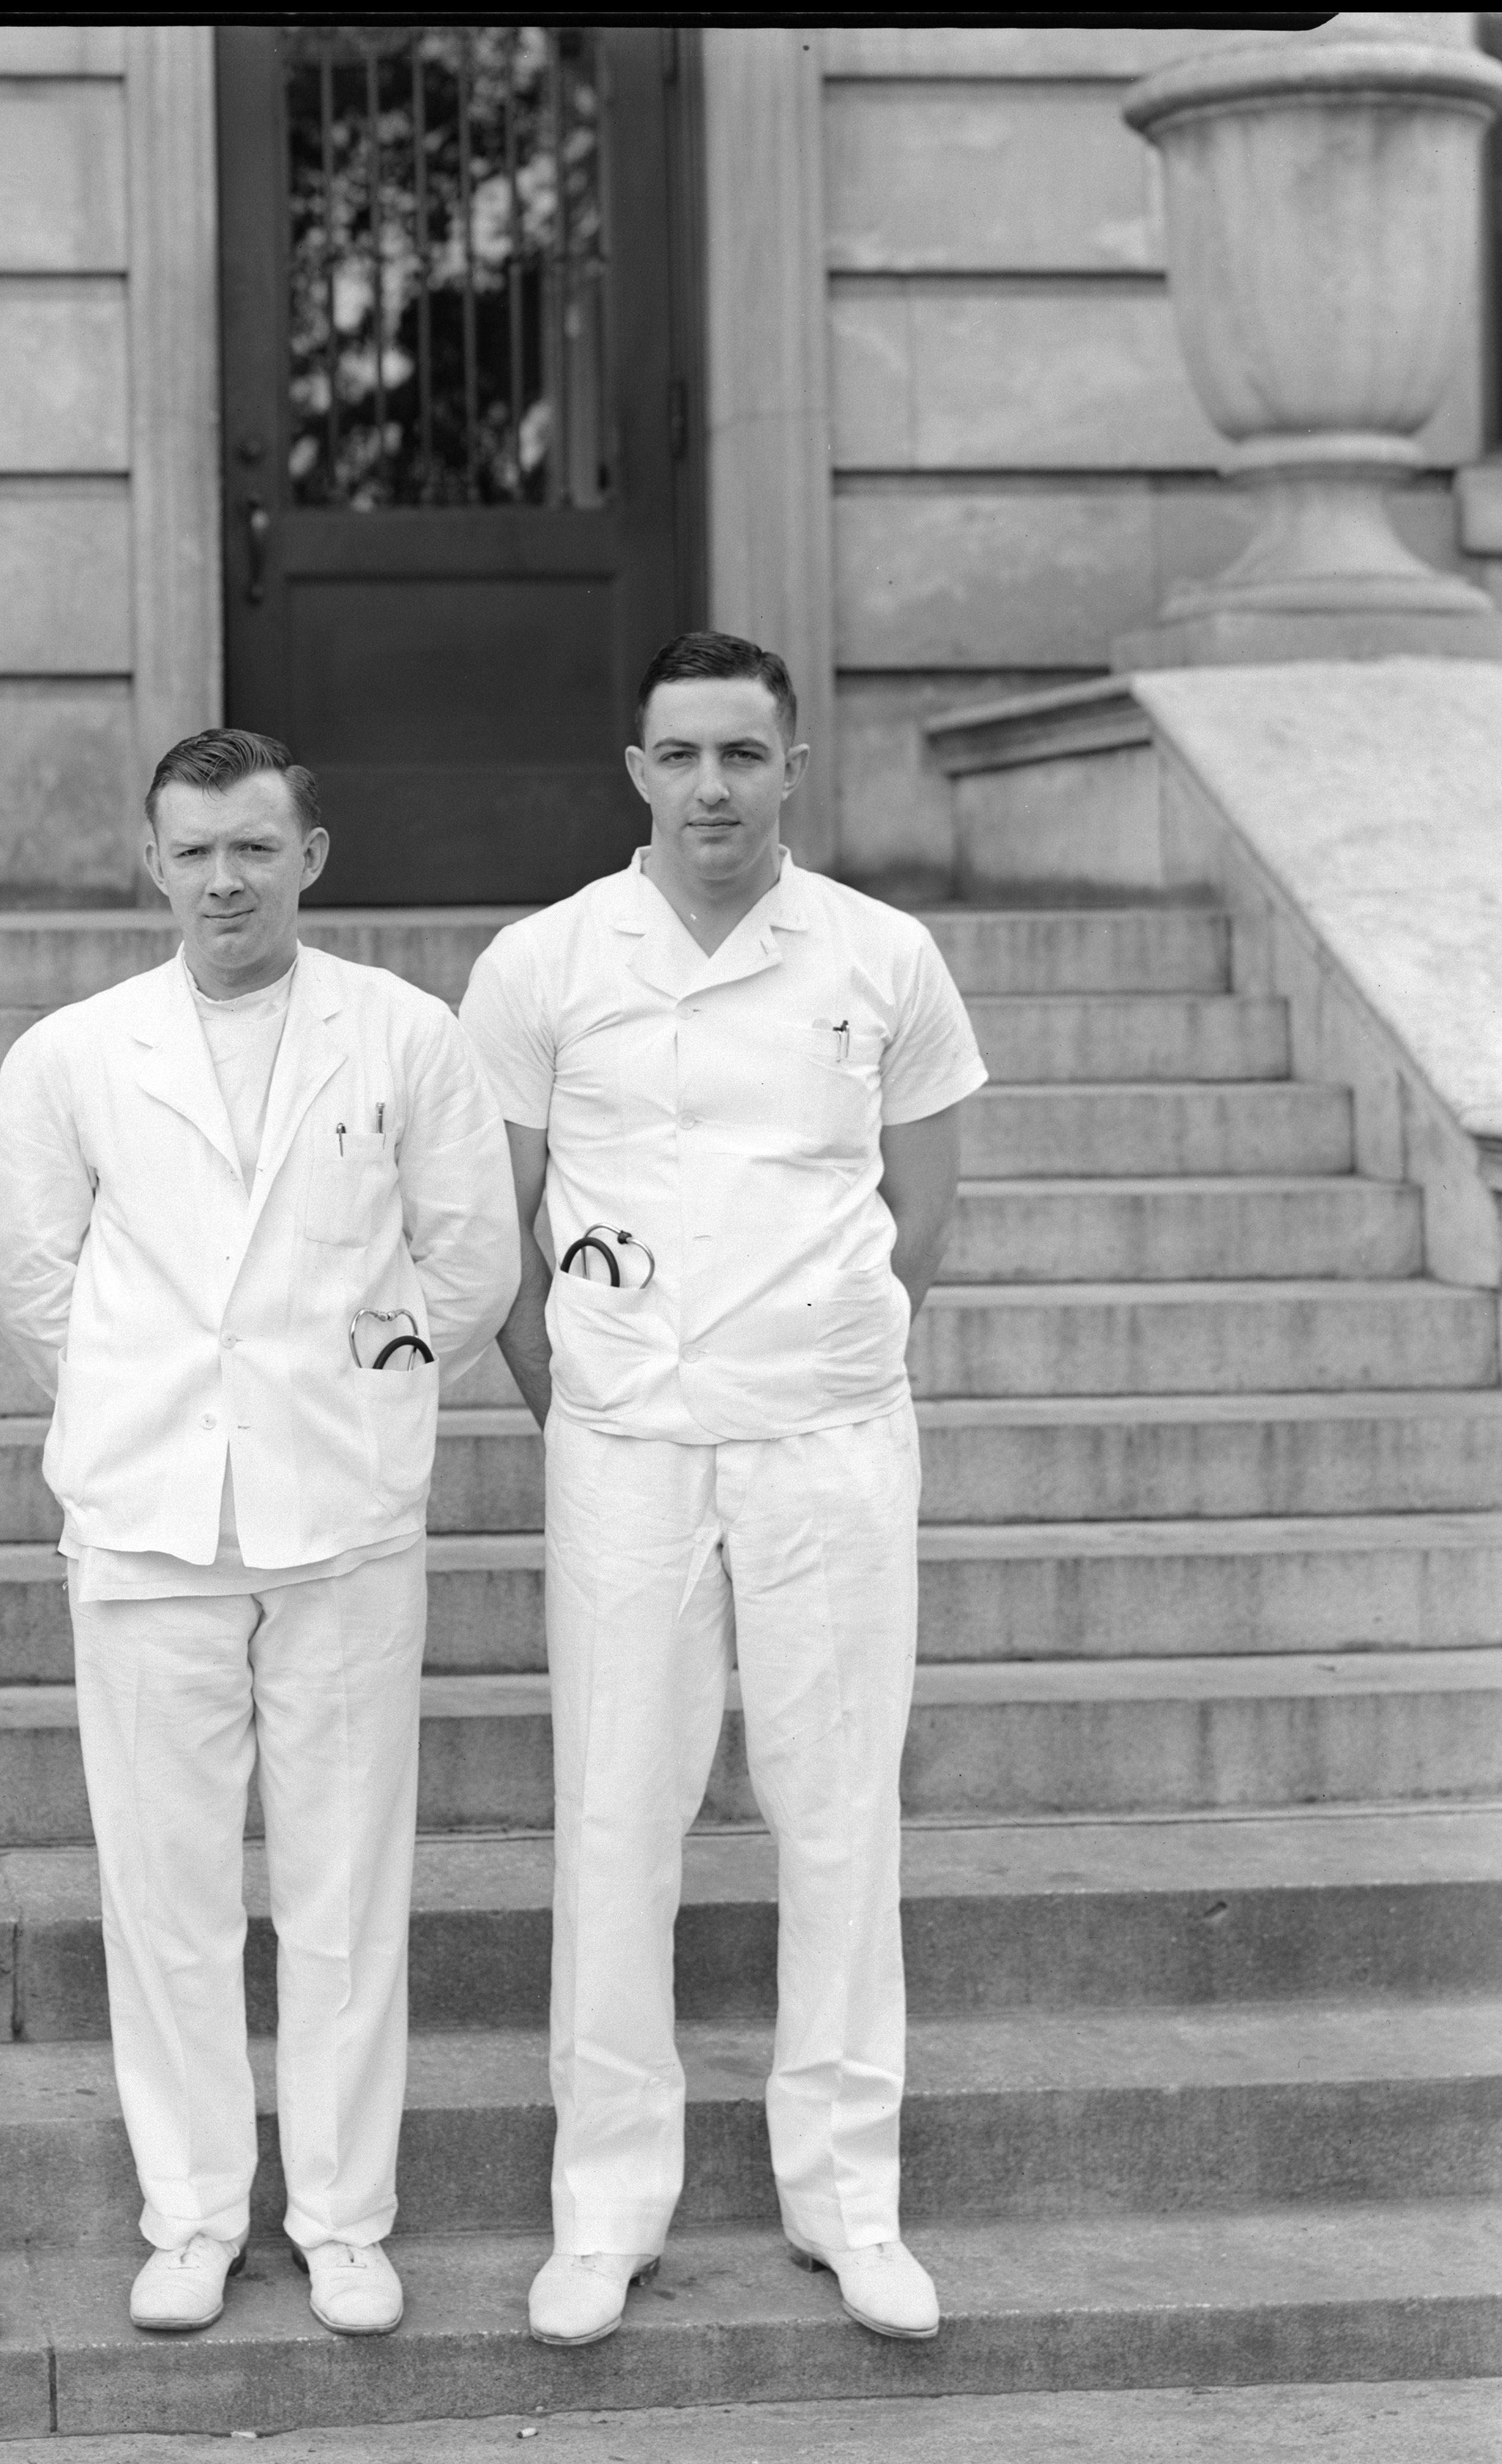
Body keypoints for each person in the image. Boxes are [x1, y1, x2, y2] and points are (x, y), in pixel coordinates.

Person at [455, 630, 986, 2349]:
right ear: (635, 771)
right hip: (625, 1443)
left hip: (827, 1439)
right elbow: (496, 1233)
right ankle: (604, 2208)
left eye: (741, 755)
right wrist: (584, 1405)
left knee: (838, 1810)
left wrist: (824, 1348)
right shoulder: (542, 964)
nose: (709, 788)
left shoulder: (883, 956)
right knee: (618, 1815)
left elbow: (921, 1214)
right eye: (678, 755)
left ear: (791, 769)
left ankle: (848, 2199)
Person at [0, 729, 522, 2338]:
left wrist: (366, 1379)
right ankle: (195, 2211)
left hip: (342, 1511)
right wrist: (143, 1398)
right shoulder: (74, 1052)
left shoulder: (406, 1033)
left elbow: (471, 1258)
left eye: (254, 848)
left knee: (345, 1885)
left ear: (310, 857)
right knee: (167, 1896)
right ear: (151, 864)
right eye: (196, 851)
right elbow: (32, 1279)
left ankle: (345, 2217)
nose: (225, 880)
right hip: (150, 1515)